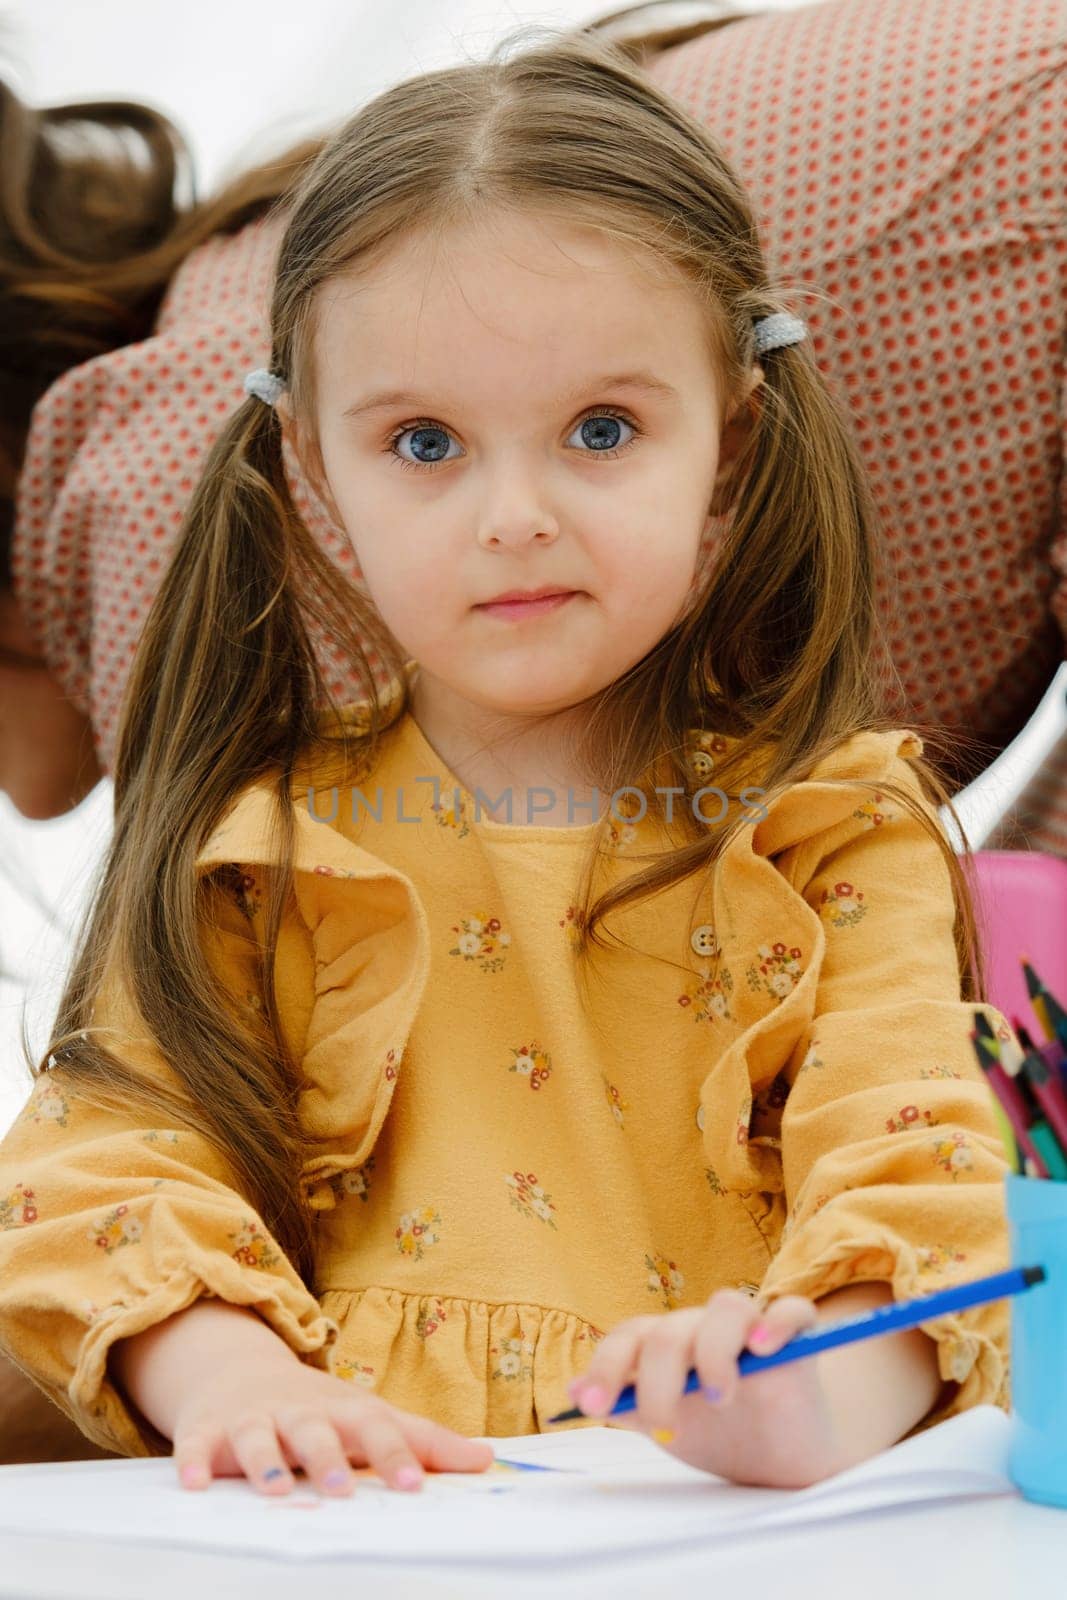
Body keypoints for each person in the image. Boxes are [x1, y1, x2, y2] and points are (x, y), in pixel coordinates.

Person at [0, 23, 1013, 1497]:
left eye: (602, 429)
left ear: (726, 443)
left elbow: (929, 1182)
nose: (515, 515)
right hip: (349, 1537)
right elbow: (96, 1166)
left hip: (734, 1543)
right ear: (316, 472)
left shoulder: (837, 829)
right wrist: (232, 1374)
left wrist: (810, 1397)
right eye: (423, 444)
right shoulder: (262, 842)